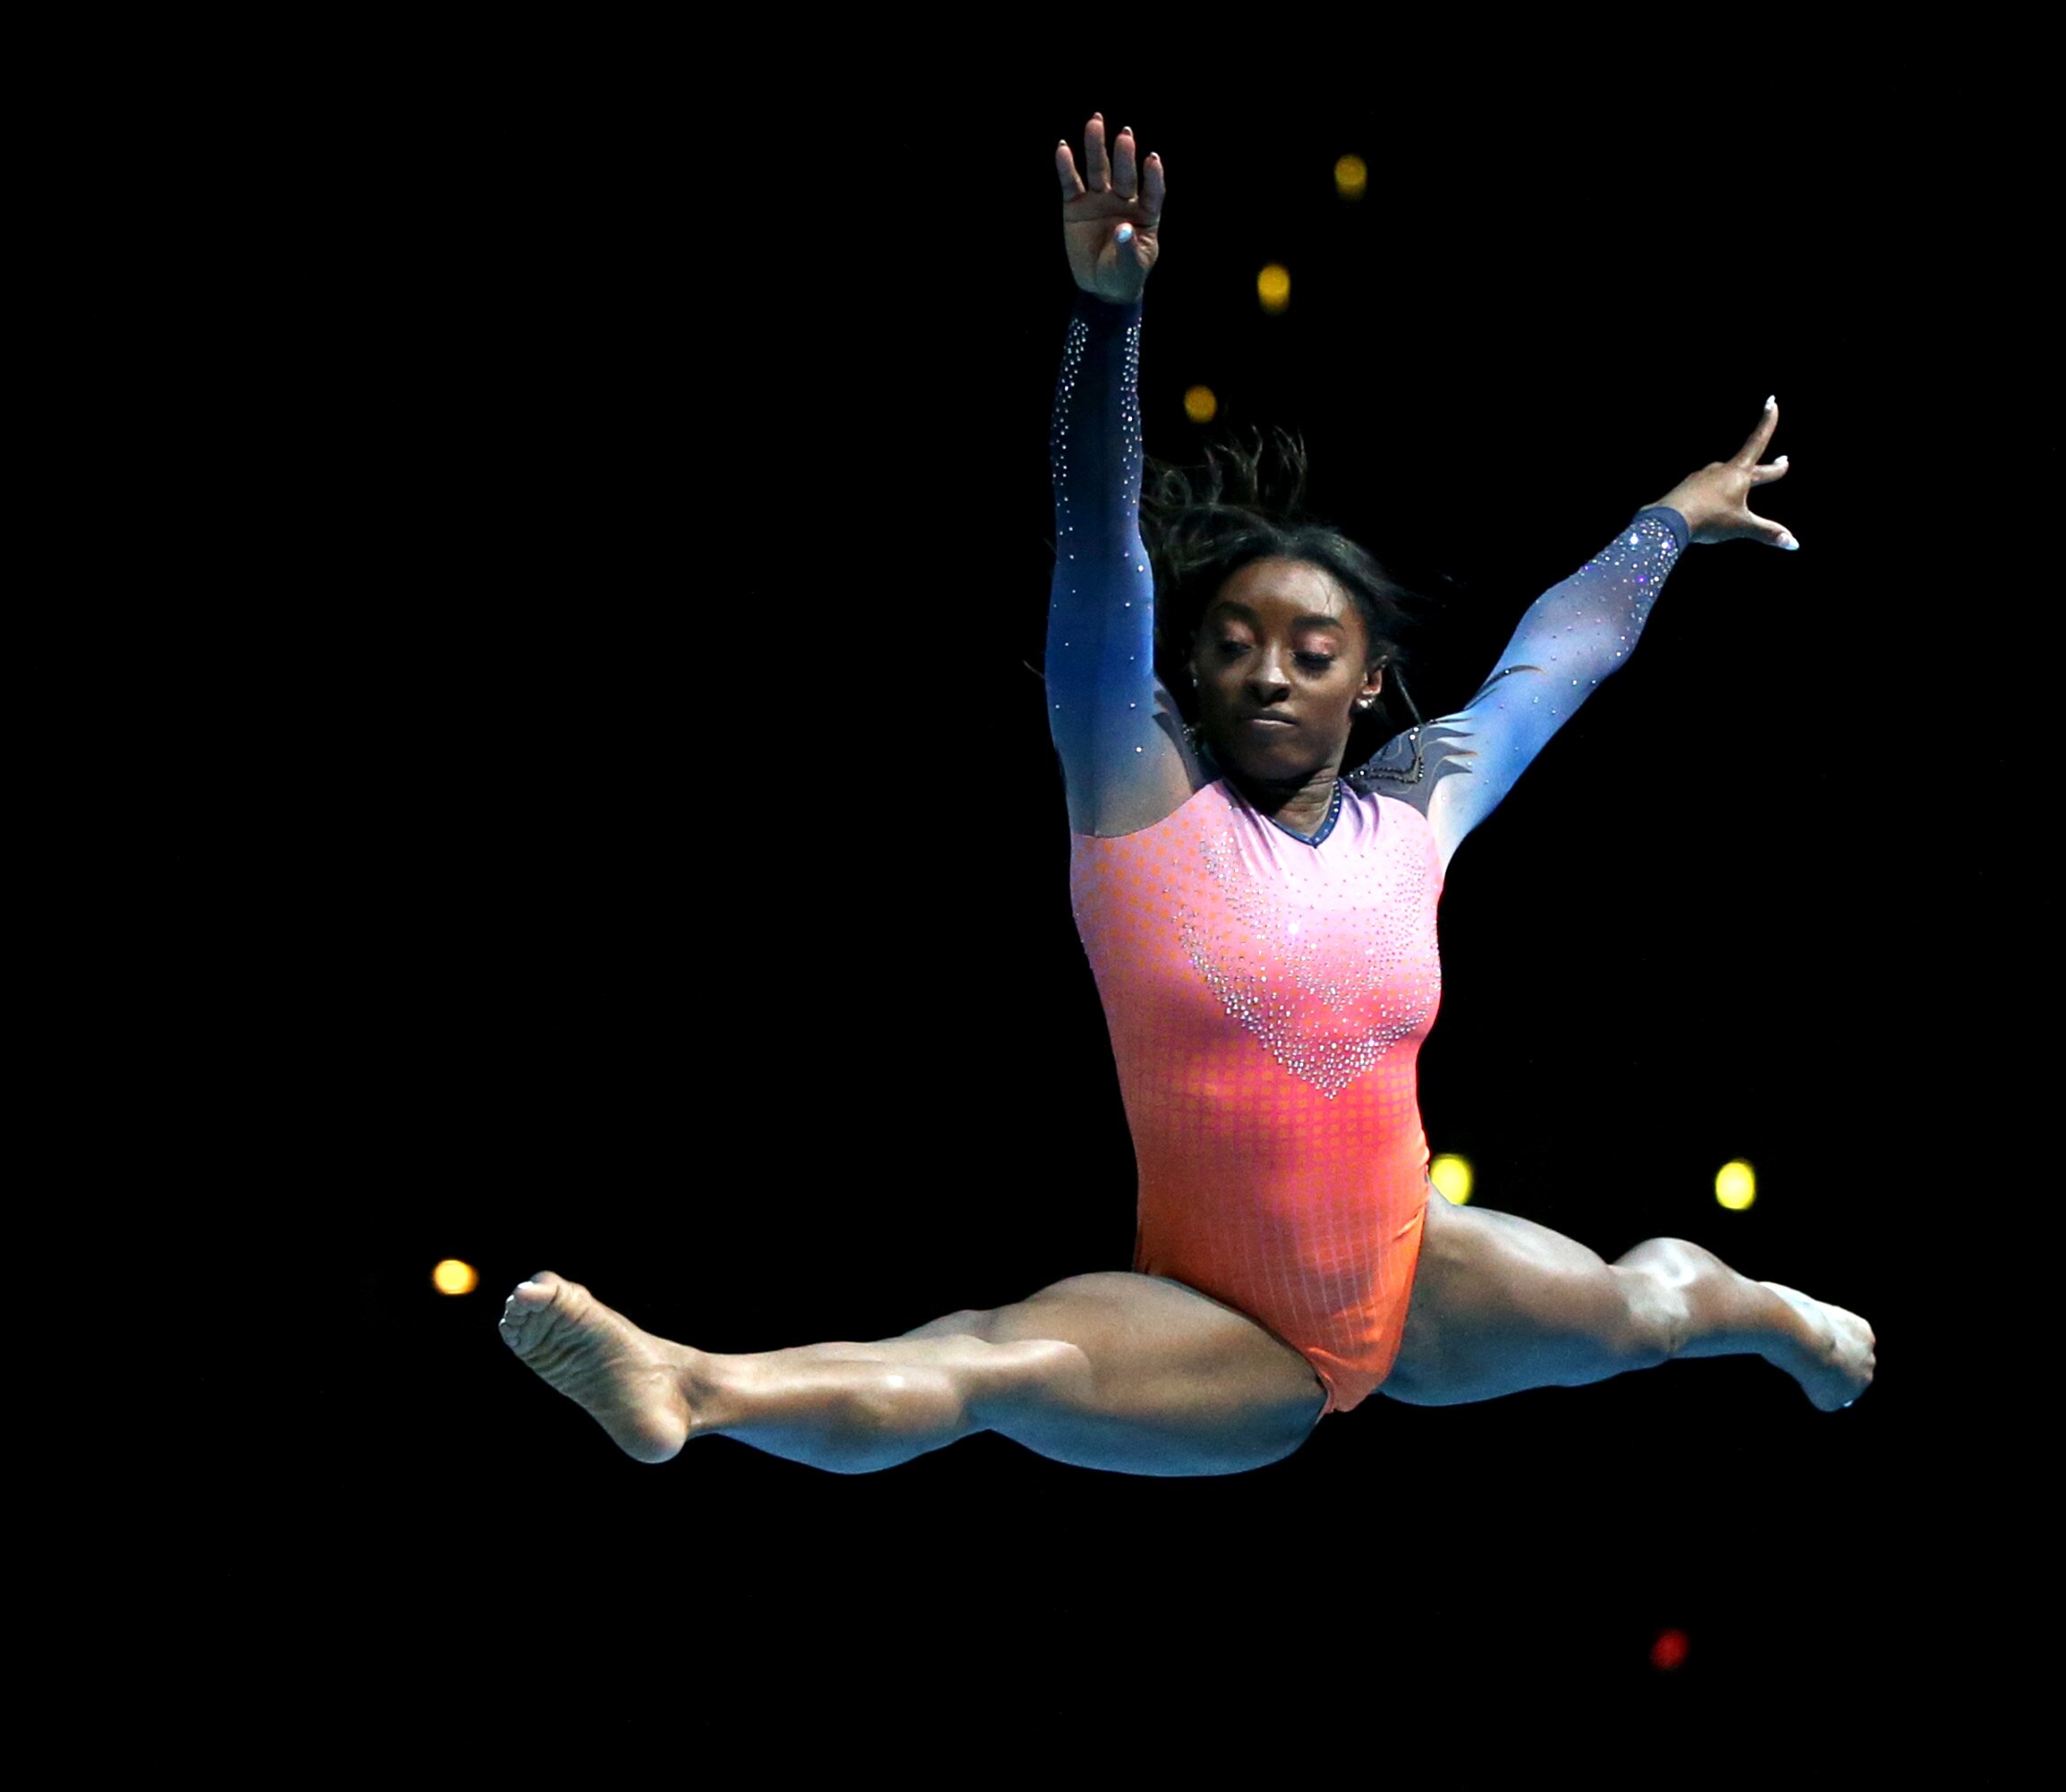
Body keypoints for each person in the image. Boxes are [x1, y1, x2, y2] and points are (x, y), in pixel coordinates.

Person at [501, 110, 1874, 1478]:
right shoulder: (1136, 799)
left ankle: (1781, 1318)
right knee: (997, 1357)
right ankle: (691, 1380)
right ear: (1192, 681)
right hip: (1216, 1332)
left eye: (1311, 652)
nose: (1270, 674)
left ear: (1371, 683)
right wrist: (1109, 322)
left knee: (1648, 1308)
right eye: (1232, 647)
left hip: (1419, 1275)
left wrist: (1671, 522)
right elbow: (1098, 535)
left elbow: (1550, 659)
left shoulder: (1419, 808)